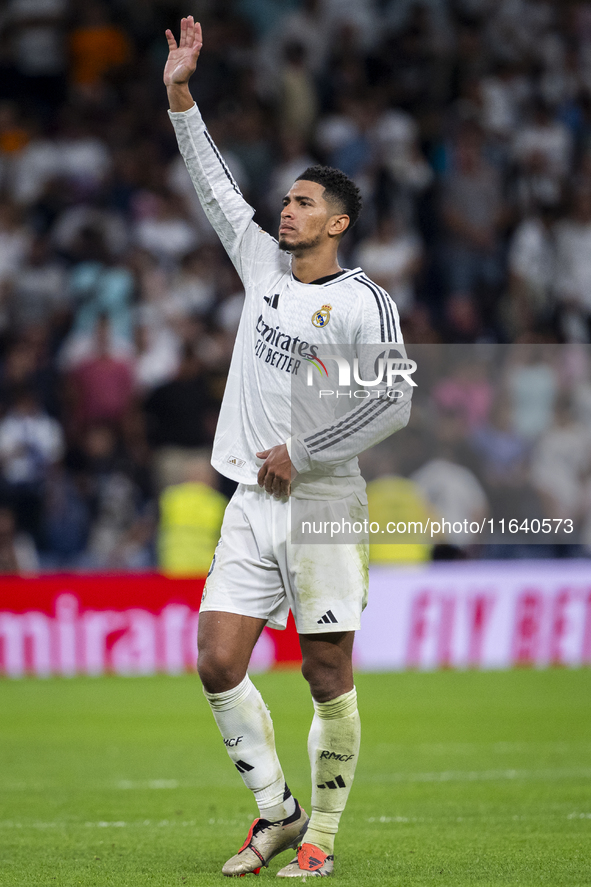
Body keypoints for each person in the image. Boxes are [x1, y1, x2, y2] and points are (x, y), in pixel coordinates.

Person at [164, 17, 412, 879]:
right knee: (216, 658)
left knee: (323, 667)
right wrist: (181, 94)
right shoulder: (260, 263)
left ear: (337, 221)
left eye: (304, 201)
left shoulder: (360, 302)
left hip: (320, 503)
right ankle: (276, 811)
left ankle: (322, 839)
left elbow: (392, 401)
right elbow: (212, 185)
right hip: (249, 501)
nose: (286, 207)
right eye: (288, 198)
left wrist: (301, 452)